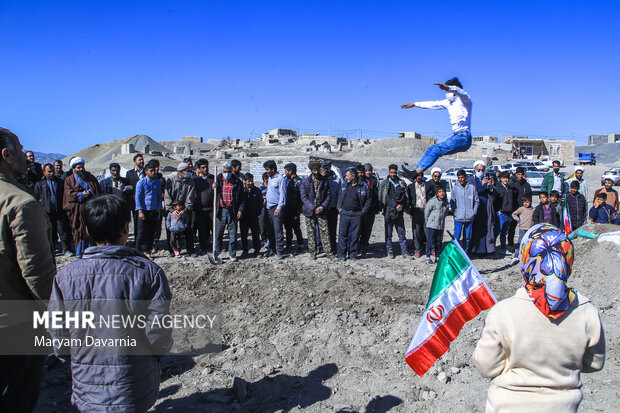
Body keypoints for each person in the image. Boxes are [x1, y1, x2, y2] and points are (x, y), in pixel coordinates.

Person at [49, 194, 173, 413]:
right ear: (126, 228)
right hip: (134, 384)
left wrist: (76, 357)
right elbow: (158, 333)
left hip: (86, 386)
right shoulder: (148, 273)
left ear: (87, 230)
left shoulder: (64, 277)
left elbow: (59, 336)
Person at [474, 224, 605, 412]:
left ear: (526, 259)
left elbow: (486, 367)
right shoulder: (586, 311)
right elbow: (595, 362)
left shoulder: (504, 311)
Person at [0, 128, 56, 413]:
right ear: (6, 155)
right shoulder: (20, 204)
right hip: (15, 325)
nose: (26, 155)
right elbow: (37, 273)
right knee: (17, 396)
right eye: (20, 150)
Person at [400, 77, 472, 176]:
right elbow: (433, 104)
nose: (446, 94)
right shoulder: (448, 103)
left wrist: (448, 88)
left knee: (435, 150)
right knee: (432, 151)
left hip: (463, 136)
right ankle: (416, 173)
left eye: (448, 92)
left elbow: (462, 93)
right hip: (459, 138)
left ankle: (415, 173)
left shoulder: (465, 101)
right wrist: (415, 104)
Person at [63, 157, 102, 257]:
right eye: (78, 168)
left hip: (90, 208)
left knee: (91, 229)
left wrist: (88, 192)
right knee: (79, 230)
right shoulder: (69, 180)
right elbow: (69, 194)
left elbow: (96, 189)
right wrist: (80, 195)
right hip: (78, 209)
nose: (81, 169)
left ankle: (92, 250)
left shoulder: (90, 177)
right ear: (73, 169)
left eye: (82, 167)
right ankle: (80, 251)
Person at [34, 163, 71, 255]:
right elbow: (36, 198)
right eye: (49, 172)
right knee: (51, 231)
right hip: (47, 212)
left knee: (62, 230)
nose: (51, 173)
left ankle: (66, 249)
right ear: (44, 172)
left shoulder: (60, 182)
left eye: (52, 171)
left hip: (59, 211)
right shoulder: (39, 184)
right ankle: (52, 249)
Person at [301, 160, 333, 259]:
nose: (316, 172)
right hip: (309, 211)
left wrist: (322, 206)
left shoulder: (324, 180)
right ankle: (313, 253)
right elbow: (304, 198)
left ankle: (329, 252)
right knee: (311, 233)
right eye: (314, 170)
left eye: (317, 170)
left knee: (325, 232)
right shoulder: (305, 181)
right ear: (311, 170)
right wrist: (314, 208)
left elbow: (328, 195)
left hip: (322, 211)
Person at [337, 168, 371, 261]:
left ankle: (353, 255)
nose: (346, 177)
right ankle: (342, 255)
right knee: (342, 235)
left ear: (353, 176)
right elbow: (340, 196)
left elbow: (368, 200)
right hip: (345, 213)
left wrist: (363, 212)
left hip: (357, 214)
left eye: (347, 175)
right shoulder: (344, 185)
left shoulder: (363, 186)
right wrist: (339, 208)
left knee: (355, 236)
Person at [213, 162, 245, 262]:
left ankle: (232, 254)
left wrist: (240, 210)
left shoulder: (237, 182)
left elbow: (242, 199)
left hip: (232, 210)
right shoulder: (217, 180)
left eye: (228, 171)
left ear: (231, 171)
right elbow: (212, 195)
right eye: (224, 171)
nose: (226, 173)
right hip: (221, 210)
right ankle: (217, 254)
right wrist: (213, 188)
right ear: (222, 171)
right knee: (218, 234)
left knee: (233, 234)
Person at [378, 164, 409, 258]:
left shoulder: (402, 183)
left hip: (399, 211)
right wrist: (395, 205)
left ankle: (404, 251)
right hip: (388, 211)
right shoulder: (384, 183)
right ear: (389, 172)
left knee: (401, 232)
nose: (393, 174)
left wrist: (402, 206)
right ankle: (389, 251)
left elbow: (406, 197)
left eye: (394, 172)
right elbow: (383, 197)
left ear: (397, 172)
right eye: (391, 172)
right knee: (388, 233)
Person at [166, 162, 197, 257]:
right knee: (171, 231)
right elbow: (167, 197)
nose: (188, 172)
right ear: (181, 171)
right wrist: (172, 210)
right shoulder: (171, 180)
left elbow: (190, 197)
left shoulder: (190, 181)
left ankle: (190, 250)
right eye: (187, 171)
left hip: (184, 210)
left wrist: (185, 210)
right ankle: (172, 251)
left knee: (189, 230)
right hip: (172, 209)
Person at [135, 160, 163, 256]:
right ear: (146, 171)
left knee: (151, 232)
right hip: (144, 210)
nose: (153, 173)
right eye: (151, 171)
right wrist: (140, 211)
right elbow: (138, 197)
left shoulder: (157, 183)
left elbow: (159, 195)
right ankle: (137, 251)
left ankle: (148, 251)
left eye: (154, 171)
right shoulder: (141, 183)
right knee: (141, 232)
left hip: (154, 210)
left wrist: (159, 207)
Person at [469, 160, 496, 255]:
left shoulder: (486, 179)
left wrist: (490, 186)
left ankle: (485, 249)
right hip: (476, 206)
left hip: (486, 207)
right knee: (475, 228)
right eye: (478, 170)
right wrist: (482, 185)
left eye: (482, 170)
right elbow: (473, 192)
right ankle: (474, 249)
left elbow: (492, 193)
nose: (480, 172)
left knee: (486, 227)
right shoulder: (471, 180)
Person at [450, 169, 479, 252]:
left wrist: (473, 212)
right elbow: (452, 202)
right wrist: (455, 213)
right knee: (456, 236)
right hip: (459, 217)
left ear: (466, 177)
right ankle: (454, 254)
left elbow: (476, 201)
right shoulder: (455, 188)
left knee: (467, 237)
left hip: (469, 217)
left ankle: (464, 254)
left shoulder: (472, 188)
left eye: (462, 177)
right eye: (459, 178)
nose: (460, 179)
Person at [264, 160, 287, 259]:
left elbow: (283, 194)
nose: (266, 171)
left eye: (268, 169)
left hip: (276, 208)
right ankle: (272, 249)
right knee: (270, 230)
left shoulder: (280, 178)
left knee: (278, 231)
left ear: (273, 169)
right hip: (268, 208)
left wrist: (279, 208)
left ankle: (279, 251)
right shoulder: (269, 178)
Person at [193, 158, 215, 255]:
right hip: (200, 208)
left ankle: (214, 246)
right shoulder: (195, 180)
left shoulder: (213, 179)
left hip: (211, 208)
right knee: (202, 229)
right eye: (203, 167)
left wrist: (215, 187)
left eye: (206, 167)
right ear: (199, 169)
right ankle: (203, 246)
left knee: (212, 227)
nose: (205, 169)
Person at [494, 171, 518, 254]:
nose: (505, 180)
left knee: (504, 232)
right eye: (503, 178)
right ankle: (492, 247)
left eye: (507, 178)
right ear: (500, 179)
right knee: (497, 231)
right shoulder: (497, 188)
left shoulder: (510, 188)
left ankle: (503, 248)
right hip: (501, 213)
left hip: (509, 213)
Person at [424, 187, 450, 264]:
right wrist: (428, 222)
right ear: (437, 193)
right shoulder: (432, 201)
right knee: (430, 241)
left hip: (440, 225)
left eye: (443, 191)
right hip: (432, 225)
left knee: (438, 241)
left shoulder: (446, 203)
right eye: (440, 191)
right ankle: (428, 257)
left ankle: (437, 256)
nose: (442, 193)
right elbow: (426, 213)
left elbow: (446, 213)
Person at [239, 173, 263, 257]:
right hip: (244, 217)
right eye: (248, 181)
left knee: (255, 233)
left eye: (252, 181)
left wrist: (257, 213)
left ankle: (257, 249)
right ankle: (245, 249)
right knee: (243, 234)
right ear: (245, 181)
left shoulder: (257, 190)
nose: (250, 183)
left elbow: (260, 203)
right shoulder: (241, 191)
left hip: (254, 216)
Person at [283, 163, 304, 254]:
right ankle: (288, 245)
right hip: (286, 210)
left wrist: (298, 209)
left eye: (286, 171)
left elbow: (302, 197)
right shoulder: (286, 181)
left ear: (290, 171)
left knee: (296, 228)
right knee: (287, 229)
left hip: (295, 210)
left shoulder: (299, 182)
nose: (285, 173)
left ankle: (300, 244)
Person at [359, 163, 379, 256]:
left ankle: (364, 246)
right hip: (361, 208)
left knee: (368, 229)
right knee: (359, 228)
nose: (368, 172)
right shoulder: (360, 180)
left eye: (370, 171)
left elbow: (376, 194)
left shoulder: (374, 181)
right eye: (367, 171)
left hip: (371, 209)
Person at [321, 160, 341, 255]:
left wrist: (338, 207)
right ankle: (321, 247)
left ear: (329, 169)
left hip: (333, 209)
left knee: (332, 230)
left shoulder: (337, 180)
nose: (323, 170)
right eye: (322, 168)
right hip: (322, 209)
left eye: (325, 169)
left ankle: (333, 247)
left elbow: (340, 194)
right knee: (322, 230)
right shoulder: (321, 179)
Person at [407, 170, 428, 257]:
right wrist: (410, 211)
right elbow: (408, 199)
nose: (419, 177)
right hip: (416, 211)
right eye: (418, 176)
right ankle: (417, 249)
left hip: (426, 211)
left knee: (427, 231)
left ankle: (430, 249)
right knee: (416, 231)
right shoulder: (411, 187)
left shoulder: (427, 185)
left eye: (421, 175)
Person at [126, 153, 146, 242]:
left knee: (145, 223)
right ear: (135, 162)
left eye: (142, 159)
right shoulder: (129, 173)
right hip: (134, 203)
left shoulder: (147, 172)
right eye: (139, 160)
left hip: (146, 202)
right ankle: (137, 242)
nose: (141, 161)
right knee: (137, 222)